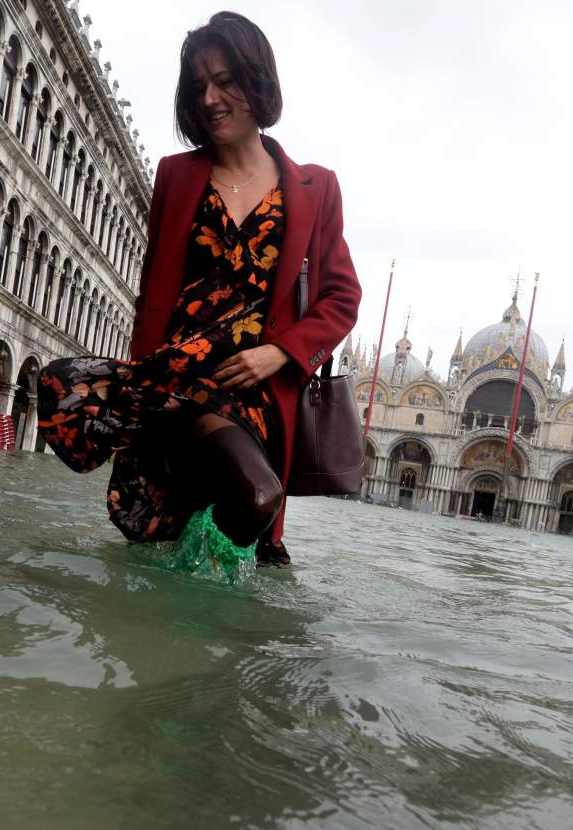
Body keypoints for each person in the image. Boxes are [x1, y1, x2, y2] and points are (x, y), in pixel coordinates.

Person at [38, 12, 361, 570]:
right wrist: (147, 375)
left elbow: (342, 296)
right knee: (249, 497)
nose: (211, 98)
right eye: (199, 86)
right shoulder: (175, 175)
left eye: (225, 80)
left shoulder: (316, 186)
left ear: (257, 80)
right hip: (180, 379)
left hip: (256, 386)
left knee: (256, 502)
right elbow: (154, 289)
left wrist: (279, 353)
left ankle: (205, 571)